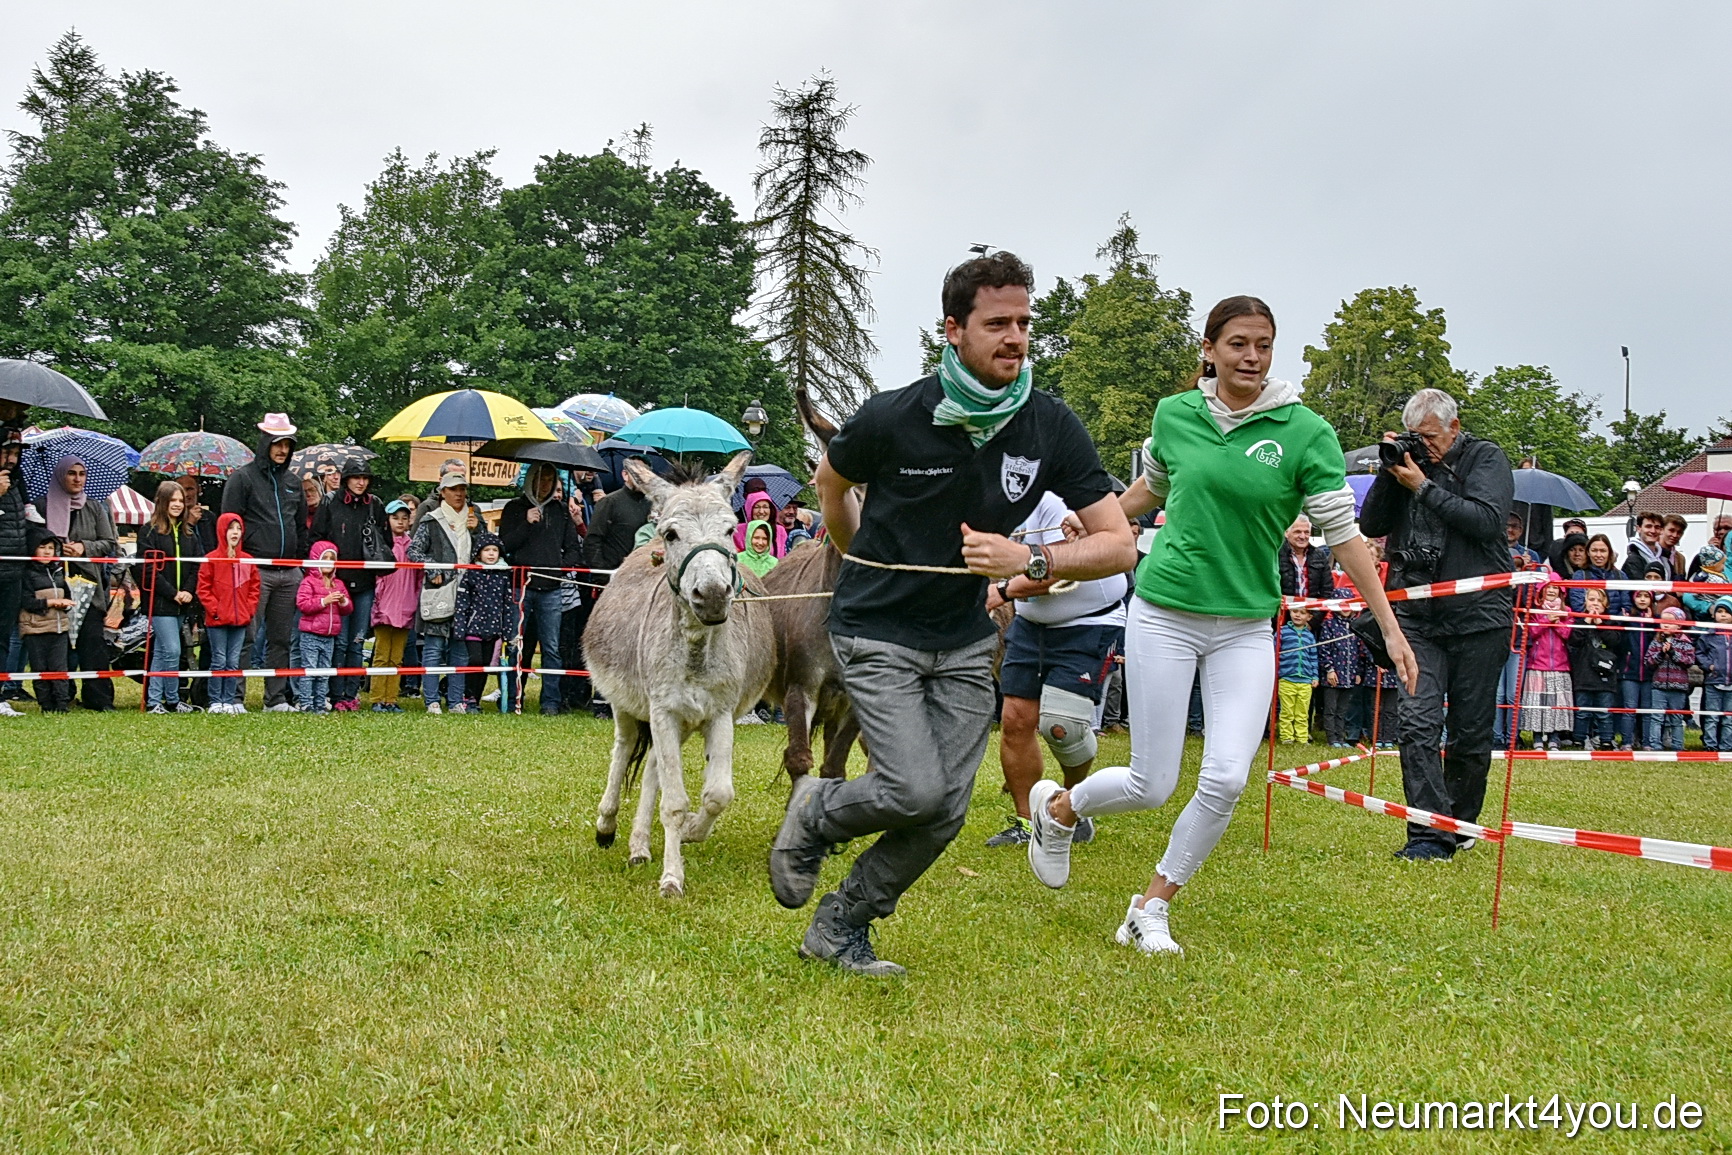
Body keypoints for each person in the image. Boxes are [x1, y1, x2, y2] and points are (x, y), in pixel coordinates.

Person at [773, 250, 1138, 976]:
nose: (1016, 337)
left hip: (966, 639)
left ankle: (841, 923)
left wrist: (1028, 563)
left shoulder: (1048, 425)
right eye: (997, 322)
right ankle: (815, 809)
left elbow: (1119, 544)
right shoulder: (892, 415)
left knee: (943, 810)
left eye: (1025, 323)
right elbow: (831, 481)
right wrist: (861, 557)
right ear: (952, 329)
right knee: (912, 786)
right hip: (876, 627)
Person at [1021, 293, 1413, 956]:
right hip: (1165, 613)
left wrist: (1391, 626)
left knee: (1229, 776)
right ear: (1209, 349)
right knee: (1152, 783)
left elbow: (1343, 536)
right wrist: (1097, 521)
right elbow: (1151, 490)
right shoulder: (1175, 415)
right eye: (1237, 343)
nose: (1251, 356)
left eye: (1263, 343)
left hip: (1243, 625)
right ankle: (1057, 810)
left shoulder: (1303, 431)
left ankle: (1151, 906)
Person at [1360, 386, 1512, 861]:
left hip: (1479, 615)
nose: (1424, 446)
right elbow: (1370, 526)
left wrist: (1423, 486)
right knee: (1418, 720)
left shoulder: (1485, 458)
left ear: (1454, 428)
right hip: (1417, 617)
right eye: (1416, 437)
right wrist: (1393, 472)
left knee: (1470, 731)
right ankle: (1427, 834)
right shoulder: (1407, 464)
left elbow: (1487, 521)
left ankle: (1459, 822)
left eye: (1431, 437)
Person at [981, 490, 1129, 848]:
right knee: (1015, 721)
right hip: (1031, 626)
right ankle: (1026, 822)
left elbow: (1060, 571)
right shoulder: (995, 501)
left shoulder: (1058, 502)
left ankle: (1072, 807)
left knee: (1062, 728)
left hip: (1090, 624)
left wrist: (1001, 590)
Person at [222, 414, 309, 712]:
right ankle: (234, 697)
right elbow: (228, 525)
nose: (282, 450)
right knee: (246, 636)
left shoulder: (294, 483)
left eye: (287, 444)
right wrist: (236, 565)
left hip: (290, 572)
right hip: (254, 570)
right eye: (277, 443)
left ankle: (276, 698)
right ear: (265, 443)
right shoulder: (242, 478)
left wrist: (302, 563)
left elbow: (300, 528)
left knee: (281, 640)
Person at [499, 462, 583, 715]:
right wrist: (526, 522)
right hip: (521, 587)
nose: (545, 483)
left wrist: (558, 567)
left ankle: (551, 702)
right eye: (540, 478)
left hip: (551, 589)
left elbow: (573, 551)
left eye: (550, 478)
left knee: (551, 647)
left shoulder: (562, 512)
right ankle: (514, 699)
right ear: (531, 479)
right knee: (517, 645)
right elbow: (503, 546)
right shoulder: (514, 508)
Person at [309, 459, 391, 711]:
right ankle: (335, 695)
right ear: (346, 479)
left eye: (365, 477)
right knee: (340, 641)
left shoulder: (375, 504)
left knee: (357, 642)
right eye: (356, 477)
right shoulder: (330, 502)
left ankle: (350, 694)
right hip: (337, 582)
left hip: (365, 583)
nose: (361, 482)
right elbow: (317, 539)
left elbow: (385, 540)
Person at [47, 456, 118, 712]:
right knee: (59, 644)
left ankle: (98, 698)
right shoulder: (44, 505)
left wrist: (83, 547)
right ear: (61, 476)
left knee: (93, 643)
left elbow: (109, 543)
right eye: (72, 473)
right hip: (55, 583)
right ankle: (60, 697)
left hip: (89, 585)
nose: (77, 479)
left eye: (82, 473)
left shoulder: (95, 507)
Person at [410, 472, 472, 714]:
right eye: (453, 489)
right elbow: (414, 551)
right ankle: (432, 700)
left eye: (462, 489)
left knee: (460, 648)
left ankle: (456, 700)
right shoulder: (430, 519)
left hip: (467, 592)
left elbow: (486, 551)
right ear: (442, 492)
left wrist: (476, 532)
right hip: (439, 591)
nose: (458, 494)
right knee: (434, 647)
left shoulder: (474, 518)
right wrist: (433, 567)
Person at [137, 481, 201, 714]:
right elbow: (148, 570)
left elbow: (196, 566)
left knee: (166, 651)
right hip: (160, 602)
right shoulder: (149, 531)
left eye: (180, 501)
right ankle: (163, 700)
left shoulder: (189, 533)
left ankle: (163, 701)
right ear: (162, 502)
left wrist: (188, 591)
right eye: (172, 500)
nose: (177, 505)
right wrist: (172, 593)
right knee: (172, 650)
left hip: (182, 603)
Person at [197, 512, 258, 714]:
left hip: (240, 620)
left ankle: (230, 700)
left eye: (238, 528)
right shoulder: (211, 559)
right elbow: (203, 589)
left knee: (233, 662)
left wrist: (248, 610)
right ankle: (216, 700)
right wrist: (215, 610)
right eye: (231, 528)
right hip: (217, 620)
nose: (235, 533)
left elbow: (254, 589)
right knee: (219, 660)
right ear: (222, 531)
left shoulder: (247, 560)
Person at [454, 531, 514, 713]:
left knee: (485, 667)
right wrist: (459, 627)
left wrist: (507, 631)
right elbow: (462, 602)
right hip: (473, 628)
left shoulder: (504, 576)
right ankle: (468, 696)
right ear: (479, 553)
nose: (490, 554)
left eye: (494, 550)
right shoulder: (472, 574)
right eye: (486, 550)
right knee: (475, 661)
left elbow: (508, 605)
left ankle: (476, 700)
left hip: (493, 630)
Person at [369, 500, 419, 713]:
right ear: (386, 520)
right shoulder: (382, 544)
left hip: (406, 605)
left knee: (397, 657)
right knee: (381, 655)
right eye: (395, 518)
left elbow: (418, 578)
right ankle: (377, 698)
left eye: (404, 518)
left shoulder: (413, 546)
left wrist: (415, 601)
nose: (400, 522)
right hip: (384, 606)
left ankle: (391, 698)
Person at [19, 527, 74, 713]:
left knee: (59, 669)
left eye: (51, 547)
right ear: (33, 549)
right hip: (35, 629)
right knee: (40, 669)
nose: (47, 551)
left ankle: (62, 704)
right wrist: (50, 602)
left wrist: (65, 604)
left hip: (59, 629)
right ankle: (46, 705)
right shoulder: (26, 573)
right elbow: (25, 601)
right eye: (42, 547)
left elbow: (67, 594)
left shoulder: (58, 572)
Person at [294, 541, 351, 715]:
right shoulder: (308, 582)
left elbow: (348, 609)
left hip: (330, 636)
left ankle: (320, 703)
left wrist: (342, 601)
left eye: (331, 558)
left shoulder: (338, 584)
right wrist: (323, 602)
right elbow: (302, 604)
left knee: (324, 672)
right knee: (309, 670)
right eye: (323, 558)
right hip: (310, 634)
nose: (328, 562)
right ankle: (305, 703)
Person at [1567, 587, 1625, 751]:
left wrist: (1600, 624)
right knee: (1583, 711)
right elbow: (1574, 641)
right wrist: (1586, 622)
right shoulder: (1579, 621)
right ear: (1585, 602)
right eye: (1592, 600)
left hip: (1605, 675)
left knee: (1604, 711)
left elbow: (1615, 642)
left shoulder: (1611, 622)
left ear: (1606, 604)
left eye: (1599, 600)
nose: (1595, 604)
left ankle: (1606, 740)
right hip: (1583, 675)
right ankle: (1579, 740)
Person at [1518, 582, 1573, 751]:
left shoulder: (1568, 612)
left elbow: (1567, 634)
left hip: (1560, 664)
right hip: (1537, 664)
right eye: (1547, 588)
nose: (1551, 590)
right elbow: (1531, 633)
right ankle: (1537, 737)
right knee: (1537, 702)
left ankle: (1554, 737)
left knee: (1557, 703)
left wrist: (1556, 622)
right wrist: (1546, 620)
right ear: (1541, 592)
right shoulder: (1534, 611)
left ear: (1561, 592)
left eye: (1555, 588)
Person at [0, 429, 28, 714]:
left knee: (4, 634)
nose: (11, 459)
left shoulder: (17, 484)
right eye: (6, 452)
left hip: (13, 570)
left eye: (15, 454)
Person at [1645, 607, 1697, 751]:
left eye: (1670, 621)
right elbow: (1648, 661)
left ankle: (1677, 746)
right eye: (1663, 621)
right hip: (1659, 686)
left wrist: (1673, 653)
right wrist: (1660, 654)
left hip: (1678, 687)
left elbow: (1689, 661)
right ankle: (1655, 745)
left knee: (1676, 719)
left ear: (1679, 625)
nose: (1665, 625)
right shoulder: (1656, 641)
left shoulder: (1686, 642)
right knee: (1656, 718)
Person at [1617, 588, 1658, 751]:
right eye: (1639, 596)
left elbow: (1657, 642)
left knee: (1647, 710)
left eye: (1646, 596)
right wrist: (1622, 621)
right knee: (1629, 709)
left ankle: (1647, 742)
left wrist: (1651, 625)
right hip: (1629, 671)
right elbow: (1619, 643)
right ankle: (1627, 741)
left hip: (1649, 673)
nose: (1642, 599)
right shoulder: (1628, 618)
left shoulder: (1656, 620)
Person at [1274, 605, 1319, 744]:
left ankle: (1302, 737)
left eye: (1302, 613)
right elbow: (1274, 652)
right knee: (1287, 711)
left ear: (1309, 617)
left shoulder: (1309, 636)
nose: (1298, 615)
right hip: (1286, 678)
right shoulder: (1282, 632)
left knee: (1302, 712)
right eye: (1294, 611)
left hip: (1305, 680)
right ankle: (1287, 736)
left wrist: (1315, 676)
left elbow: (1313, 657)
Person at [1696, 596, 1732, 752]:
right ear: (1714, 614)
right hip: (1713, 681)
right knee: (1712, 717)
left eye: (1727, 612)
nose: (1723, 615)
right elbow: (1699, 652)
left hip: (1731, 684)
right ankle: (1710, 746)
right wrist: (1708, 666)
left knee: (1728, 718)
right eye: (1720, 611)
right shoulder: (1708, 635)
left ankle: (1726, 746)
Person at [1569, 534, 1630, 615]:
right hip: (1589, 624)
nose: (1598, 555)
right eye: (1594, 550)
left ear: (1609, 552)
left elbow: (1626, 606)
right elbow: (1577, 606)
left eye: (1603, 551)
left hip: (1615, 625)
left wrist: (1611, 622)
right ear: (1588, 552)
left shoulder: (1620, 576)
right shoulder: (1580, 575)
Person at [1278, 515, 1332, 604]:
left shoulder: (1319, 555)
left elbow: (1327, 589)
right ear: (1286, 533)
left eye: (1306, 532)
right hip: (1282, 615)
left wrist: (1314, 616)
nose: (1303, 536)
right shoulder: (1277, 555)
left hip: (1312, 614)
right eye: (1297, 532)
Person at [734, 485, 788, 555]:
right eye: (757, 507)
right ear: (749, 509)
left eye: (765, 507)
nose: (761, 511)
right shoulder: (738, 530)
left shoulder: (780, 530)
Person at [1623, 511, 1670, 580]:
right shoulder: (1633, 561)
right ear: (1638, 529)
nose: (1653, 531)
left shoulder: (1664, 557)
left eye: (1657, 527)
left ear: (1661, 530)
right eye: (1648, 526)